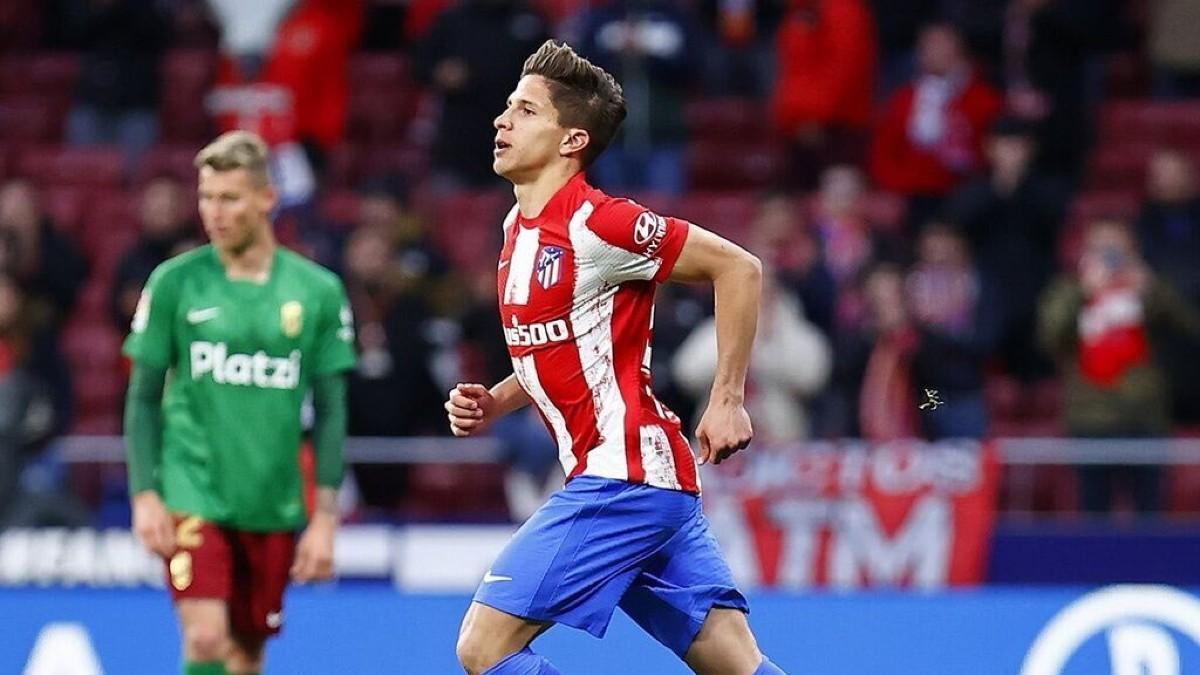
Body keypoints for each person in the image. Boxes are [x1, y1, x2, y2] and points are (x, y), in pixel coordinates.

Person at [444, 40, 783, 675]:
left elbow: (739, 268)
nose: (501, 121)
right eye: (506, 107)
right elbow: (565, 348)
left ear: (571, 141)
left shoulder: (601, 224)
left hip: (620, 480)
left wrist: (727, 397)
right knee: (739, 667)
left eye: (525, 111)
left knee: (483, 649)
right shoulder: (517, 230)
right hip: (652, 487)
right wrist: (497, 400)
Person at [122, 131, 357, 675]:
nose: (213, 212)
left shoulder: (317, 291)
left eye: (228, 198)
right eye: (205, 197)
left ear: (266, 199)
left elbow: (331, 412)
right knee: (205, 640)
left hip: (272, 498)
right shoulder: (174, 283)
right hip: (193, 487)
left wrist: (323, 519)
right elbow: (141, 399)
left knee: (246, 654)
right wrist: (144, 494)